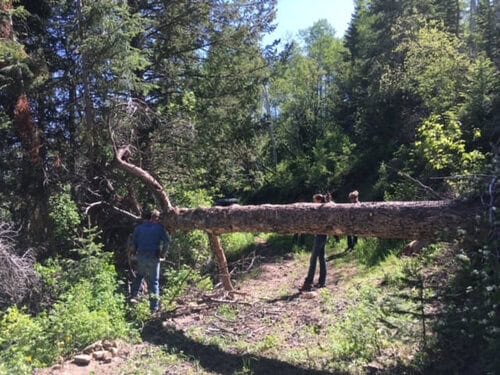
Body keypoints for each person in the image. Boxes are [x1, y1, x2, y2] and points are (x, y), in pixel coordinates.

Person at [130, 209, 170, 312]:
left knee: (139, 276)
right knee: (154, 282)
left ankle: (134, 296)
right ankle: (154, 308)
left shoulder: (138, 228)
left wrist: (134, 255)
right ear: (155, 218)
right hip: (154, 256)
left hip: (141, 256)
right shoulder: (159, 228)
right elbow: (167, 242)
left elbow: (133, 244)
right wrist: (162, 254)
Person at [300, 193, 330, 292]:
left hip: (320, 236)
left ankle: (308, 283)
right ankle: (322, 282)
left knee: (313, 259)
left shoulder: (320, 209)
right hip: (324, 235)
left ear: (318, 200)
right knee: (321, 258)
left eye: (314, 200)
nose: (313, 202)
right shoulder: (324, 208)